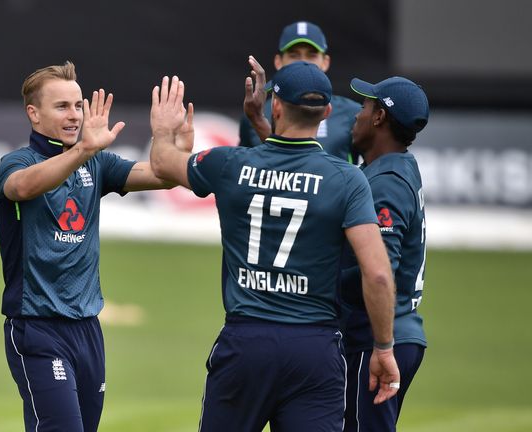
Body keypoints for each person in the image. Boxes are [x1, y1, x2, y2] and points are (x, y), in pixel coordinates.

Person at [149, 64, 401, 431]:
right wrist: (383, 348)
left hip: (245, 343)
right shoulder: (348, 180)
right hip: (315, 350)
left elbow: (161, 163)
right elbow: (378, 274)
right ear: (327, 113)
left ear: (276, 107)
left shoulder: (229, 165)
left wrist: (162, 131)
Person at [0, 61, 184, 432]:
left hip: (87, 329)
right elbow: (22, 188)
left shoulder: (95, 163)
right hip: (37, 327)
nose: (74, 115)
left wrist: (168, 140)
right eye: (62, 106)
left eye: (78, 105)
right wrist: (83, 151)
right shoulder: (18, 162)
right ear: (33, 114)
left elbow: (162, 176)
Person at [340, 76, 430, 431]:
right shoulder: (398, 167)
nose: (356, 115)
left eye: (364, 107)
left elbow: (380, 272)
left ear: (379, 118)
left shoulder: (386, 184)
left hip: (378, 339)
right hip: (394, 334)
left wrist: (381, 346)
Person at [240, 21, 361, 164]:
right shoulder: (256, 113)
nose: (303, 62)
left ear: (325, 62)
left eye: (312, 55)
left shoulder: (353, 113)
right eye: (294, 55)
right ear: (278, 62)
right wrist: (257, 119)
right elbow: (244, 169)